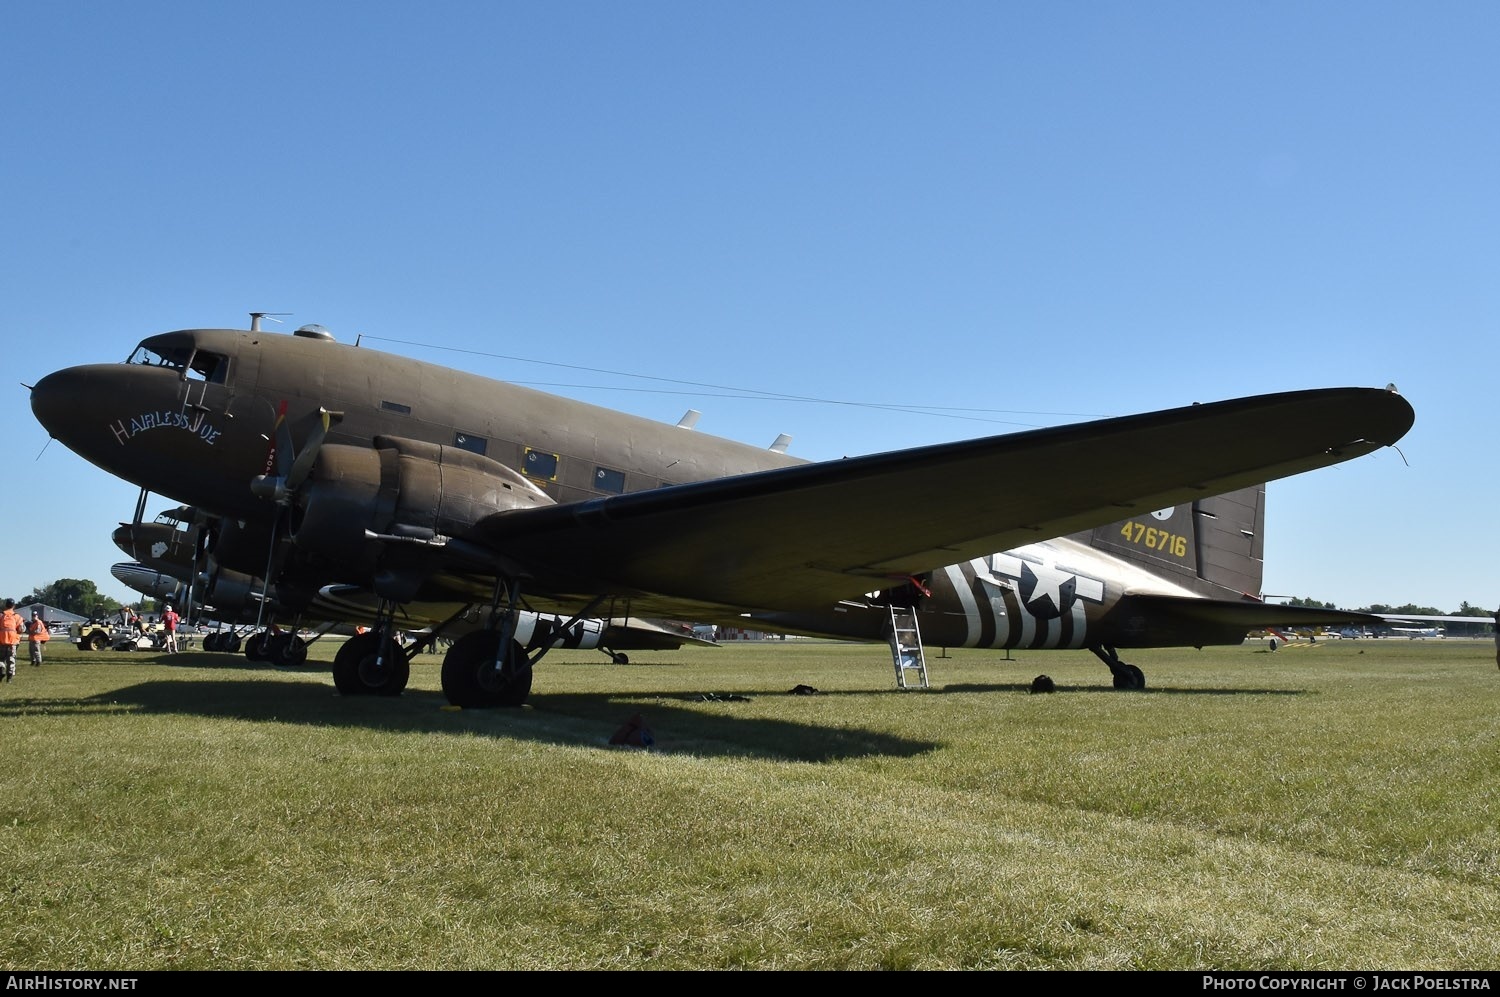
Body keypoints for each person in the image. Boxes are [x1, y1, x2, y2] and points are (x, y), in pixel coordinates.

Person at [0, 599, 23, 683]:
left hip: (1, 640)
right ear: (14, 606)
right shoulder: (17, 616)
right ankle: (9, 677)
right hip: (12, 641)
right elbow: (21, 629)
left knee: (1, 658)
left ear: (5, 605)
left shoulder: (1, 615)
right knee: (11, 659)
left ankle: (1, 669)